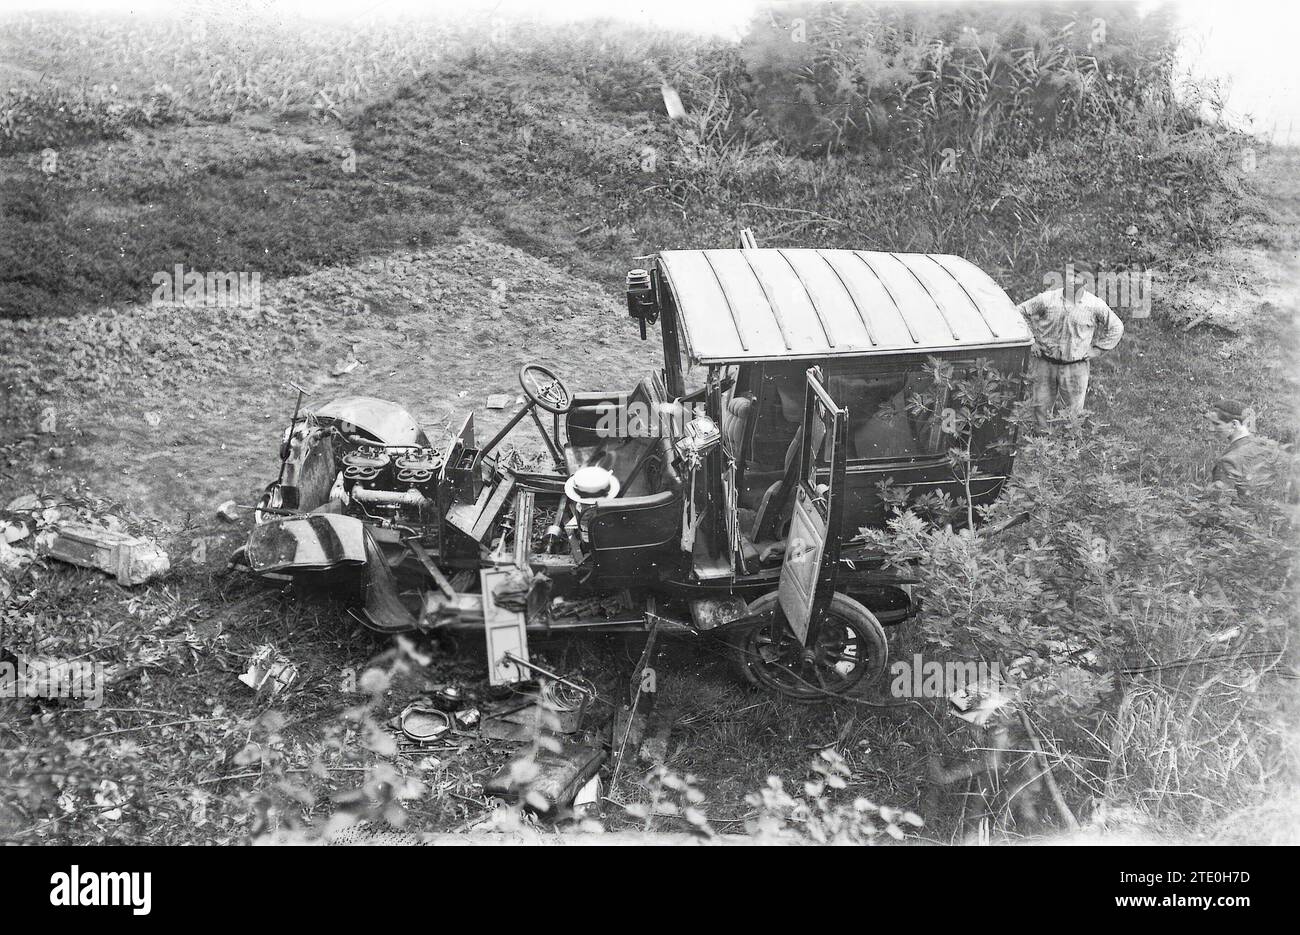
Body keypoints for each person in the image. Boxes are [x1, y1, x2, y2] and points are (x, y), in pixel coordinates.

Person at [1017, 263, 1125, 428]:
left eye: (1078, 277)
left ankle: (1070, 448)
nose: (1073, 280)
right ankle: (1042, 447)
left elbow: (1116, 327)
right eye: (1070, 275)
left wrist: (1097, 349)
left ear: (1086, 282)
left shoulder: (1094, 305)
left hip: (1075, 367)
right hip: (1045, 363)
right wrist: (1030, 340)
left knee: (1074, 414)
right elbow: (1020, 312)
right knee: (1040, 409)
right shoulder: (1048, 299)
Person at [1205, 398, 1289, 498]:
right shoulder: (1266, 448)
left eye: (1216, 424)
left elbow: (1221, 504)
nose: (1210, 429)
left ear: (1234, 424)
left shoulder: (1228, 462)